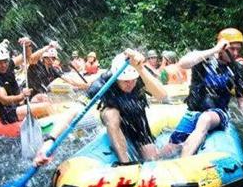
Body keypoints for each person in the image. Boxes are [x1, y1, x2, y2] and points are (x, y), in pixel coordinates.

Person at [37, 49, 168, 164]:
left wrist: (140, 68)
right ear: (117, 78)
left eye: (133, 80)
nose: (130, 84)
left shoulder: (139, 75)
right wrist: (50, 140)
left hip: (137, 119)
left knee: (152, 159)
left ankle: (172, 147)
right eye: (126, 81)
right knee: (112, 114)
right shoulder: (102, 83)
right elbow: (74, 110)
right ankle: (125, 164)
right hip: (113, 117)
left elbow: (162, 96)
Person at [170, 28, 243, 157]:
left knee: (205, 119)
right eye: (232, 49)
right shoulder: (204, 60)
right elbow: (183, 63)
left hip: (218, 113)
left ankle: (184, 165)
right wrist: (216, 49)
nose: (235, 53)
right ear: (222, 47)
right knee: (169, 148)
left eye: (238, 49)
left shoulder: (237, 69)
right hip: (193, 111)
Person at [0, 38, 53, 124]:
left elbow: (26, 57)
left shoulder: (8, 65)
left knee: (43, 97)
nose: (3, 65)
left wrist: (27, 46)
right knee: (46, 107)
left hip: (18, 105)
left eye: (5, 61)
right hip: (9, 113)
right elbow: (4, 100)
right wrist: (22, 96)